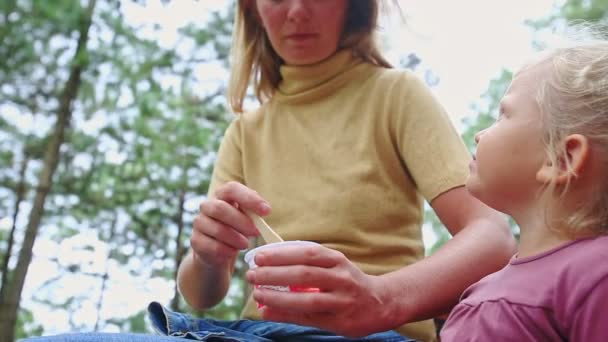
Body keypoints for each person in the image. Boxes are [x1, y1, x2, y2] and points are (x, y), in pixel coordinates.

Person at [24, 1, 514, 341]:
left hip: (378, 336)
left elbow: (492, 237)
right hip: (249, 333)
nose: (296, 11)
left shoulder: (396, 95)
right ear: (252, 8)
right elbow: (201, 293)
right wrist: (209, 254)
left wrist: (382, 299)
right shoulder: (245, 131)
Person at [439, 30, 608, 340]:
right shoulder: (482, 291)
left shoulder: (596, 276)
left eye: (503, 115)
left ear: (561, 159)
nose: (480, 135)